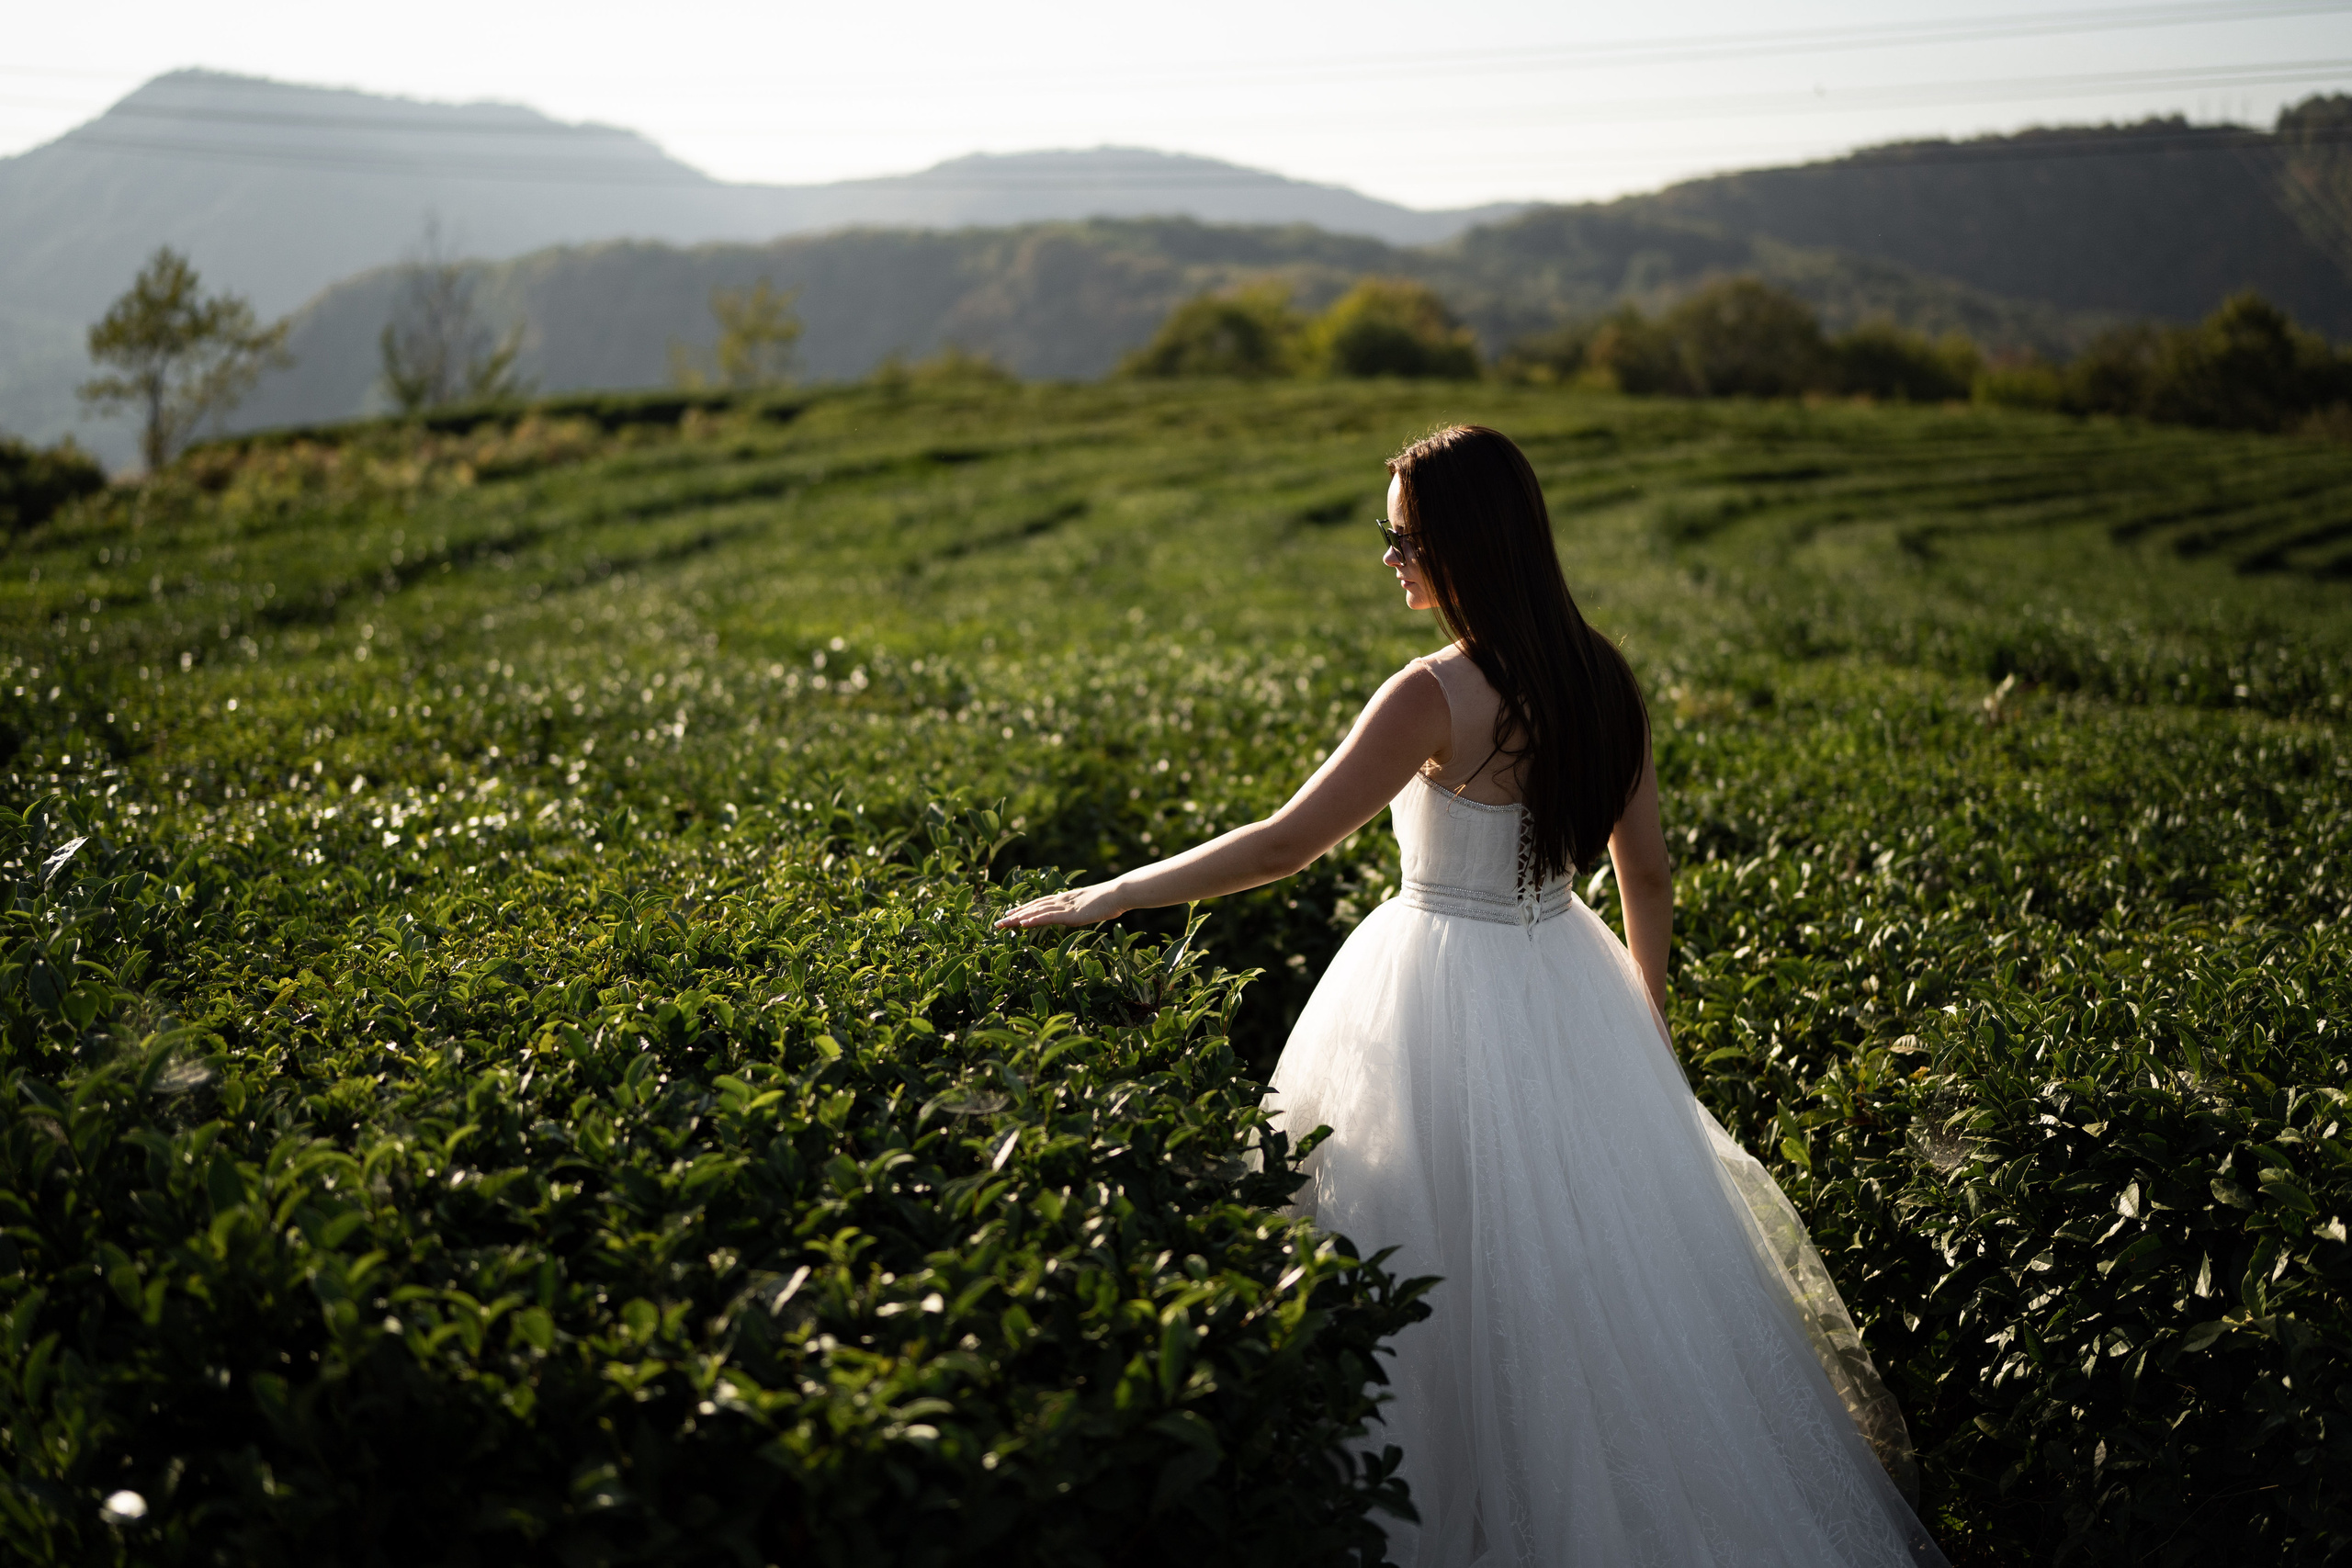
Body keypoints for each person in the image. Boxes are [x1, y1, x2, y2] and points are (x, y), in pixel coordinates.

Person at [997, 425, 1945, 1567]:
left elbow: (1284, 845)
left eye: (1404, 537)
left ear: (1467, 544)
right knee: (1584, 1287)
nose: (1388, 557)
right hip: (1572, 980)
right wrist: (1641, 1028)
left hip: (1434, 988)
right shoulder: (1603, 677)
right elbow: (1646, 875)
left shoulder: (1432, 693)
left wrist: (1111, 895)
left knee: (1422, 1266)